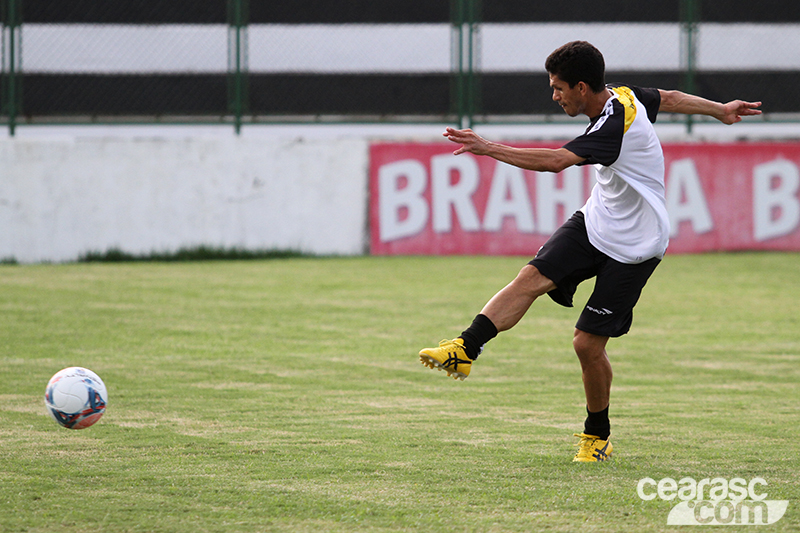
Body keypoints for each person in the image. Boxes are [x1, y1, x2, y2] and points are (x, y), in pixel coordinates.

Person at [418, 41, 761, 462]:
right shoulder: (622, 94)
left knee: (586, 345)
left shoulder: (612, 125)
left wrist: (488, 147)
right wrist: (720, 109)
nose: (554, 95)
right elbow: (669, 98)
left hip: (636, 246)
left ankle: (597, 436)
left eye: (558, 88)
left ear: (582, 87)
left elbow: (555, 162)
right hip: (597, 222)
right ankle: (465, 349)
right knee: (530, 279)